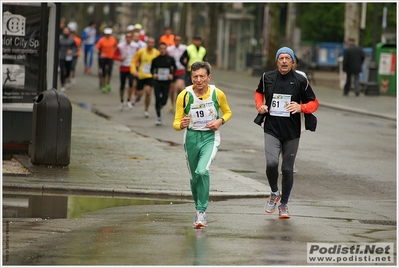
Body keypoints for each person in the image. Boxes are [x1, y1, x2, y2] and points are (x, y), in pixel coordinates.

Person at [254, 47, 319, 219]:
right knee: (271, 163)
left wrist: (301, 107)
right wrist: (260, 106)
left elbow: (314, 102)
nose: (284, 61)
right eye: (281, 58)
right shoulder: (267, 77)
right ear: (277, 61)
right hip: (271, 129)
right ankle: (275, 192)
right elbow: (259, 92)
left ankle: (284, 204)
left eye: (287, 58)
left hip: (292, 131)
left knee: (288, 169)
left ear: (292, 62)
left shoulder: (300, 79)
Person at [173, 61, 232, 229]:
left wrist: (220, 121)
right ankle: (198, 208)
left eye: (202, 76)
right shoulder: (184, 95)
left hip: (210, 138)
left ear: (209, 77)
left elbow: (228, 112)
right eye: (195, 76)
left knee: (202, 171)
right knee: (194, 177)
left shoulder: (217, 93)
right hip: (191, 138)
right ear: (191, 77)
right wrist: (181, 125)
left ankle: (201, 211)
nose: (199, 80)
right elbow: (176, 123)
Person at [130, 37, 160, 117]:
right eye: (149, 42)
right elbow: (134, 61)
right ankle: (137, 97)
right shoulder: (141, 51)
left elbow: (160, 64)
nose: (150, 44)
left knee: (148, 92)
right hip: (141, 75)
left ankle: (146, 109)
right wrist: (133, 70)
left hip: (150, 75)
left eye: (152, 43)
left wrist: (157, 73)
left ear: (154, 44)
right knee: (140, 93)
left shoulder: (156, 53)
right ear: (146, 43)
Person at [150, 42, 177, 125]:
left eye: (164, 49)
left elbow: (175, 68)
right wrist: (153, 74)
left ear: (166, 50)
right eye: (161, 49)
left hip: (166, 82)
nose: (162, 50)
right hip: (157, 82)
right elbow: (151, 70)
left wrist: (171, 75)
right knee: (157, 99)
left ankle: (161, 105)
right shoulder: (155, 60)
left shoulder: (170, 59)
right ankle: (158, 117)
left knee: (164, 101)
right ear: (159, 49)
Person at [114, 32, 140, 110]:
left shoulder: (135, 46)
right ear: (125, 38)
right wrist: (120, 59)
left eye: (130, 37)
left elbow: (138, 56)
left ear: (132, 38)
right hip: (123, 67)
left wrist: (137, 63)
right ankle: (121, 101)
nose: (128, 38)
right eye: (127, 37)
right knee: (122, 85)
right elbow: (114, 55)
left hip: (131, 68)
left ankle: (129, 100)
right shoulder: (120, 46)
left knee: (131, 84)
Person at [167, 34, 187, 112]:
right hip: (172, 71)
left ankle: (177, 101)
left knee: (179, 87)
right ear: (174, 40)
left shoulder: (184, 48)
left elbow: (187, 56)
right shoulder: (169, 49)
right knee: (172, 89)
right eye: (176, 40)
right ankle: (172, 103)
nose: (177, 41)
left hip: (181, 70)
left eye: (179, 40)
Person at [95, 27, 118, 93]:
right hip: (103, 58)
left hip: (110, 57)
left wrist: (114, 52)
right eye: (107, 34)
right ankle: (104, 84)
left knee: (109, 71)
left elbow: (116, 46)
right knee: (103, 72)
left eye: (109, 34)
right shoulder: (102, 40)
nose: (108, 35)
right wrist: (100, 53)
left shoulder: (113, 40)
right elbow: (97, 47)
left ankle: (108, 83)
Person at [59, 26, 77, 92]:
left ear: (69, 32)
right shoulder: (60, 39)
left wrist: (72, 51)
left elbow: (75, 48)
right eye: (64, 31)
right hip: (62, 56)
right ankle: (62, 85)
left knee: (68, 70)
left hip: (69, 57)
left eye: (67, 31)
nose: (66, 32)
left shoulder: (71, 40)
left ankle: (67, 78)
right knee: (62, 70)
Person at [67, 21, 81, 86]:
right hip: (67, 55)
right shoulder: (67, 39)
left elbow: (78, 47)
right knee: (68, 67)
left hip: (74, 55)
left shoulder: (77, 39)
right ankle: (68, 78)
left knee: (73, 66)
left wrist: (78, 53)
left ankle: (73, 77)